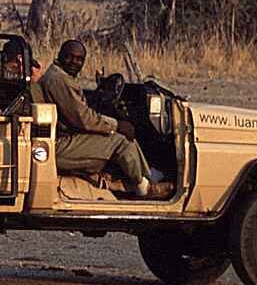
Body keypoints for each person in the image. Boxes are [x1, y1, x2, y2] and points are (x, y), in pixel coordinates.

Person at [10, 40, 170, 200]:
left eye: (79, 59)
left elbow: (79, 110)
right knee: (121, 140)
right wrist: (116, 124)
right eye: (70, 57)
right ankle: (143, 188)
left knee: (122, 135)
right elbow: (82, 118)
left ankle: (145, 176)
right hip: (59, 144)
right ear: (60, 56)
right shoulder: (58, 79)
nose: (74, 62)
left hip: (59, 139)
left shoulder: (60, 76)